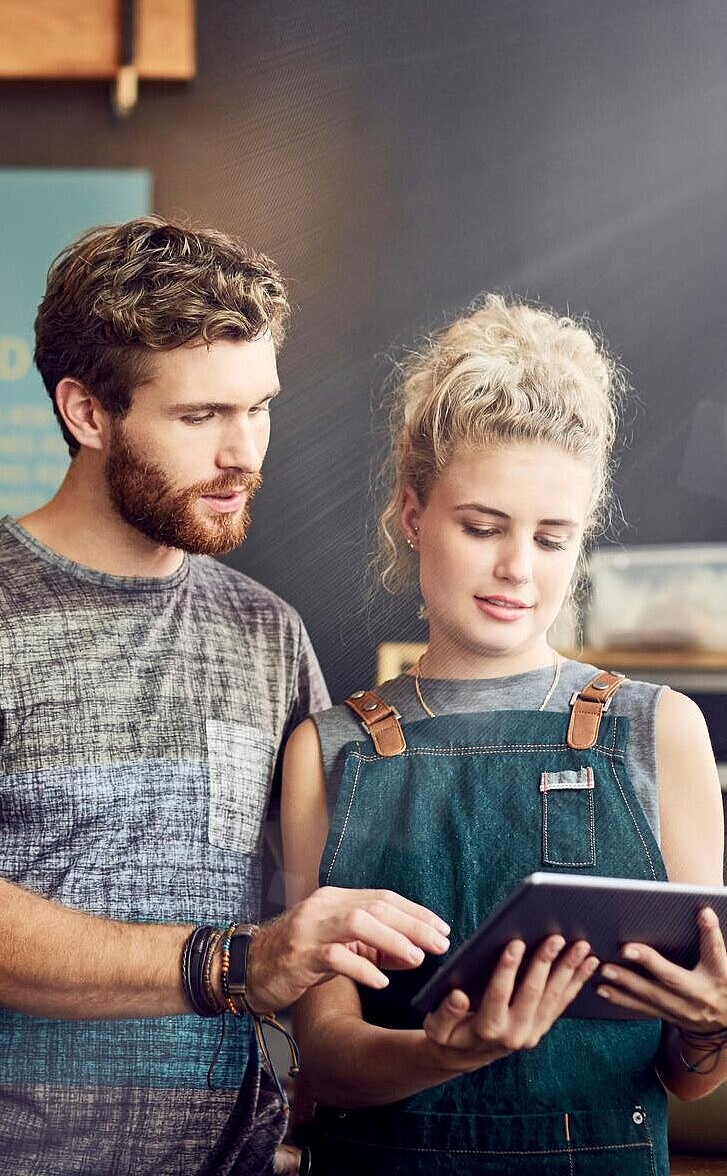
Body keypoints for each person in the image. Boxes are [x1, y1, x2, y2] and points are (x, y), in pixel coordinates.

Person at [0, 216, 450, 1176]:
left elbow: (309, 907)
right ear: (86, 412)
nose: (244, 452)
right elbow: (258, 954)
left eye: (259, 408)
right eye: (201, 417)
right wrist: (232, 963)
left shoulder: (268, 631)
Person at [282, 294, 727, 1176]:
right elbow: (324, 1053)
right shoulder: (327, 749)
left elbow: (683, 1081)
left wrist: (709, 1029)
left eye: (552, 538)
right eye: (482, 527)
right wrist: (439, 1054)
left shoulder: (660, 731)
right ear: (412, 513)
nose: (517, 568)